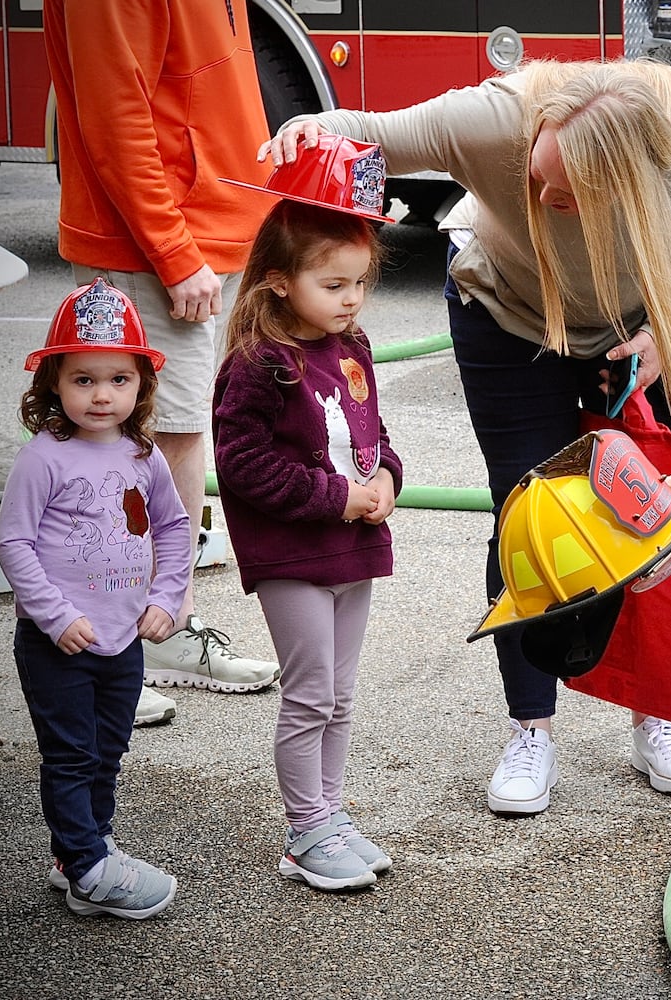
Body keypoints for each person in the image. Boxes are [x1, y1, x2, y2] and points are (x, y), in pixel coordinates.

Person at [262, 58, 671, 814]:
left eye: (562, 198)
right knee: (526, 512)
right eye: (536, 176)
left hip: (635, 329)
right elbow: (364, 135)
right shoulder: (492, 118)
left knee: (653, 512)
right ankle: (531, 727)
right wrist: (306, 131)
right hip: (504, 314)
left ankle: (661, 712)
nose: (540, 197)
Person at [43, 0, 280, 728]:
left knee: (170, 441)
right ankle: (104, 650)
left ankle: (161, 629)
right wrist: (174, 253)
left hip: (208, 226)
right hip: (153, 242)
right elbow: (116, 115)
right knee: (123, 446)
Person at [212, 138, 404, 891]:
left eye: (359, 283)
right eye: (332, 284)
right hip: (294, 554)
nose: (351, 299)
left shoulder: (348, 345)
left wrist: (387, 476)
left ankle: (328, 812)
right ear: (278, 282)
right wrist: (337, 497)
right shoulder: (259, 362)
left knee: (340, 694)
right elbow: (243, 464)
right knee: (310, 694)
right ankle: (304, 833)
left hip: (351, 546)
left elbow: (372, 435)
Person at [0, 279, 189, 919]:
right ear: (54, 381)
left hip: (124, 636)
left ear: (141, 384)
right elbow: (14, 542)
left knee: (108, 749)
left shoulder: (143, 454)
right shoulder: (43, 458)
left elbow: (173, 525)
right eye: (83, 379)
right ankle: (86, 868)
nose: (102, 394)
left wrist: (167, 596)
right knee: (71, 753)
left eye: (118, 379)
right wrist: (56, 617)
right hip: (59, 643)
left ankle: (83, 851)